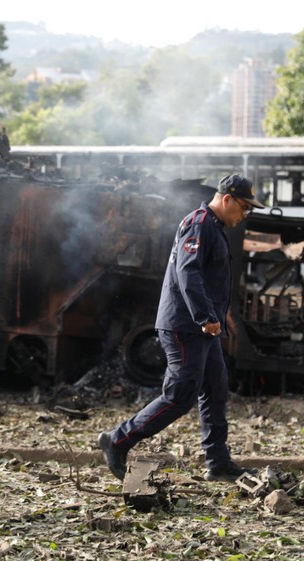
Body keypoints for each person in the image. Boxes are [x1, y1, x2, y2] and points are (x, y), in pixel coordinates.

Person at [98, 174, 263, 482]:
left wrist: (214, 318)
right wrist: (205, 316)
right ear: (227, 199)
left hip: (202, 328)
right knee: (179, 396)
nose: (245, 215)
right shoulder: (199, 224)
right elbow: (189, 272)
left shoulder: (213, 226)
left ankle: (218, 463)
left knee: (215, 389)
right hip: (187, 327)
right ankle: (117, 440)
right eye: (244, 207)